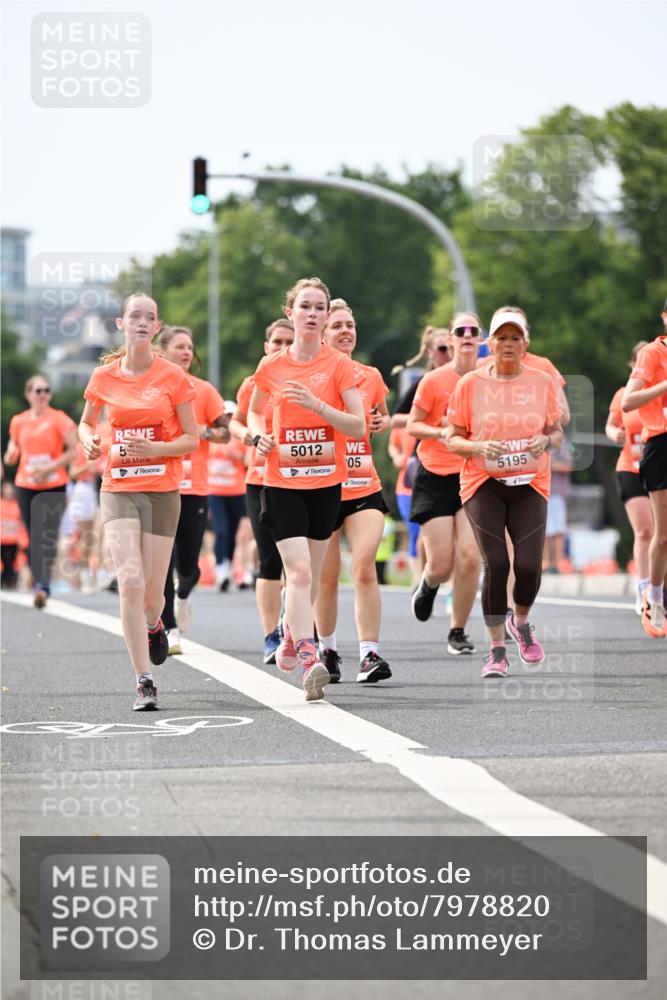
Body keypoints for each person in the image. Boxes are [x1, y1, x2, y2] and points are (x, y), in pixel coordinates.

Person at [78, 293, 198, 710]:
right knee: (128, 581)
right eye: (136, 316)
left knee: (151, 595)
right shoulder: (104, 377)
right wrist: (90, 441)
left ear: (157, 327)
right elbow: (86, 423)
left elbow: (191, 439)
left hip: (162, 488)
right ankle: (143, 678)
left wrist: (154, 449)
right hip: (118, 487)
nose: (143, 323)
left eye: (150, 317)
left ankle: (154, 622)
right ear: (122, 324)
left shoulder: (172, 378)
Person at [248, 277, 365, 702]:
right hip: (281, 482)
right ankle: (309, 653)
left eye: (320, 307)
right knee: (297, 572)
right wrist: (259, 436)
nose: (313, 314)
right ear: (290, 313)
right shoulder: (272, 367)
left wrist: (317, 406)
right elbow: (256, 412)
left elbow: (357, 424)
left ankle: (287, 633)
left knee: (309, 577)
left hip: (325, 483)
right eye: (305, 307)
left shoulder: (339, 366)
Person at [448, 307, 564, 678]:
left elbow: (557, 431)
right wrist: (478, 448)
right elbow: (452, 438)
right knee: (496, 563)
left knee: (529, 566)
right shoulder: (470, 385)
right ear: (489, 344)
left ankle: (522, 621)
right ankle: (496, 649)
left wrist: (546, 440)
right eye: (501, 338)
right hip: (484, 483)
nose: (509, 344)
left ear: (526, 343)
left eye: (516, 338)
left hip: (530, 482)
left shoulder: (541, 381)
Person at [313, 298, 393, 684]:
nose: (346, 330)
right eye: (337, 325)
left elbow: (381, 414)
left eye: (350, 324)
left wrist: (381, 421)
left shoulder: (371, 376)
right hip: (323, 483)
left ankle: (370, 654)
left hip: (363, 484)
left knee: (363, 565)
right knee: (326, 578)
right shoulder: (312, 375)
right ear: (323, 334)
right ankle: (327, 649)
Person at [406, 313, 482, 654]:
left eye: (473, 331)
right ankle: (429, 583)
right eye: (460, 331)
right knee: (442, 563)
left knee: (469, 558)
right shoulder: (434, 380)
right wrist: (441, 433)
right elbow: (412, 426)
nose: (467, 336)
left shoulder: (488, 380)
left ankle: (458, 630)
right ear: (450, 340)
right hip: (434, 474)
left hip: (473, 476)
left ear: (481, 340)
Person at [155, 325, 227, 654]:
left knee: (188, 566)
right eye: (180, 346)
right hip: (158, 485)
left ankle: (183, 594)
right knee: (163, 562)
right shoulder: (152, 391)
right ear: (162, 351)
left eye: (190, 347)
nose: (187, 352)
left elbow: (225, 433)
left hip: (194, 487)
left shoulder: (204, 390)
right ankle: (170, 628)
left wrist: (199, 432)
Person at [230, 318, 294, 663]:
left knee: (299, 564)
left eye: (289, 341)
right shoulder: (253, 383)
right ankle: (271, 635)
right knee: (270, 560)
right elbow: (239, 420)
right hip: (260, 478)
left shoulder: (308, 377)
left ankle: (299, 628)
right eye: (277, 341)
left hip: (301, 479)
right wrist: (250, 435)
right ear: (266, 346)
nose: (283, 347)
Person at [4, 375, 78, 607]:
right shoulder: (19, 421)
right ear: (29, 395)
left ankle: (42, 584)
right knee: (32, 532)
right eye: (38, 391)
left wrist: (50, 468)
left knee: (47, 533)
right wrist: (10, 453)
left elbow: (73, 451)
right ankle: (40, 581)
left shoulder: (59, 419)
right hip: (26, 483)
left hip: (54, 483)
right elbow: (14, 444)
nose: (43, 394)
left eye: (46, 390)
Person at [622, 300, 667, 638]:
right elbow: (628, 401)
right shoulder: (653, 353)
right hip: (661, 444)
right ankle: (654, 597)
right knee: (661, 536)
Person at [605, 341, 653, 613]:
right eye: (640, 362)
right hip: (630, 467)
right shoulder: (624, 394)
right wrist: (615, 435)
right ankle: (643, 586)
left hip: (659, 468)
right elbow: (611, 425)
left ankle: (659, 588)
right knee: (645, 530)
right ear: (633, 365)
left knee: (662, 534)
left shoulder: (661, 391)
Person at [207, 403, 249, 592]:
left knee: (232, 533)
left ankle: (230, 565)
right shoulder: (211, 437)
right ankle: (221, 569)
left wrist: (236, 455)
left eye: (230, 416)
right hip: (215, 491)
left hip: (237, 491)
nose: (227, 419)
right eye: (224, 416)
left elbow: (249, 461)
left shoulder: (240, 438)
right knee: (221, 530)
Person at [390, 326, 451, 430]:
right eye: (443, 348)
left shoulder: (465, 377)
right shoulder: (425, 381)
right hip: (429, 443)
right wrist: (427, 417)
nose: (448, 352)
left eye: (451, 347)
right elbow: (395, 420)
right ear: (429, 352)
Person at [388, 424, 421, 586]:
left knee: (434, 536)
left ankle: (434, 578)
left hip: (434, 485)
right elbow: (392, 444)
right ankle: (418, 581)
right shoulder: (402, 420)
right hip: (407, 487)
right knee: (415, 530)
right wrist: (396, 456)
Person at [543, 436, 573, 573]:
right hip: (540, 491)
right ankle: (546, 562)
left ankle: (559, 562)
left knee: (557, 529)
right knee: (544, 530)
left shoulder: (561, 442)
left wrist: (547, 463)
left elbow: (567, 466)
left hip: (556, 492)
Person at [1, 481, 28, 590]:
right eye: (6, 489)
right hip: (1, 539)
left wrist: (24, 540)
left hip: (13, 540)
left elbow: (21, 523)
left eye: (10, 489)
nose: (9, 491)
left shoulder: (17, 505)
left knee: (11, 563)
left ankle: (10, 582)